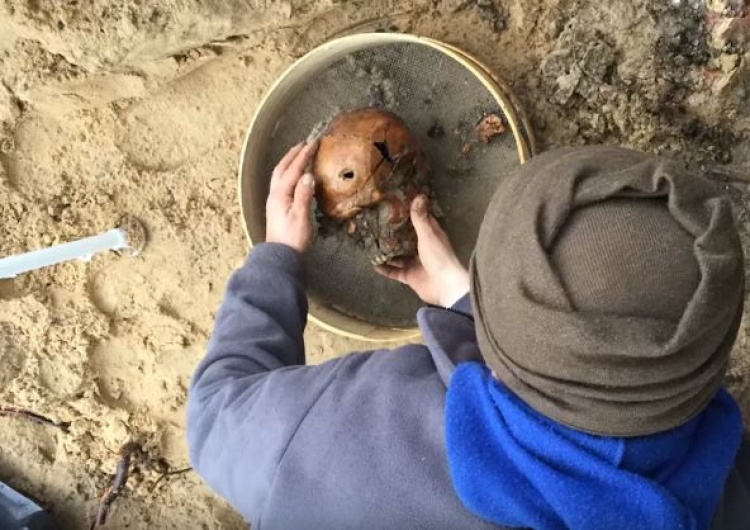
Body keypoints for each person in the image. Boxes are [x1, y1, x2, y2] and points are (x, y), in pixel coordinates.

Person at [186, 142, 749, 530]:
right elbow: (558, 423)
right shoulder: (726, 494)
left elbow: (214, 415)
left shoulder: (346, 430)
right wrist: (465, 301)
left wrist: (277, 258)